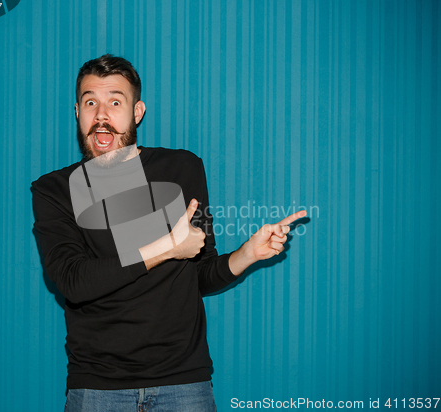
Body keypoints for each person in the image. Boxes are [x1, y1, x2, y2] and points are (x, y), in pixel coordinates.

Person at [31, 53, 306, 412]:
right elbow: (72, 281)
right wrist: (165, 248)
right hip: (99, 388)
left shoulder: (181, 168)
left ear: (137, 112)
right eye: (90, 103)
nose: (101, 115)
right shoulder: (54, 190)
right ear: (77, 112)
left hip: (184, 383)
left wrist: (247, 255)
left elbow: (198, 274)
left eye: (115, 102)